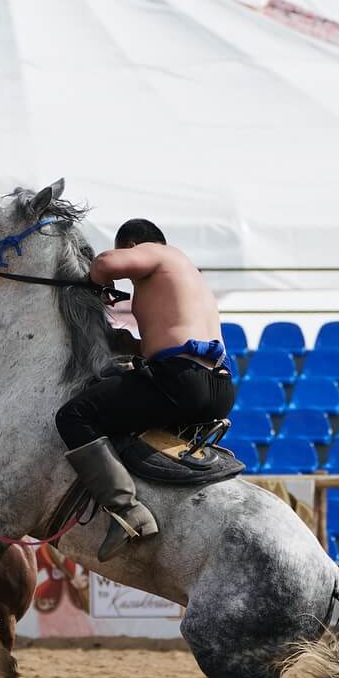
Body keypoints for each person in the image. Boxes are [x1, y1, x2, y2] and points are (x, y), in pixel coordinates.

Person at [54, 219, 236, 560]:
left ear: (134, 245)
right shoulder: (187, 276)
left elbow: (105, 264)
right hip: (218, 387)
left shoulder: (160, 253)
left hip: (181, 381)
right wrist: (132, 346)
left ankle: (126, 511)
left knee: (74, 415)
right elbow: (175, 337)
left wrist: (95, 284)